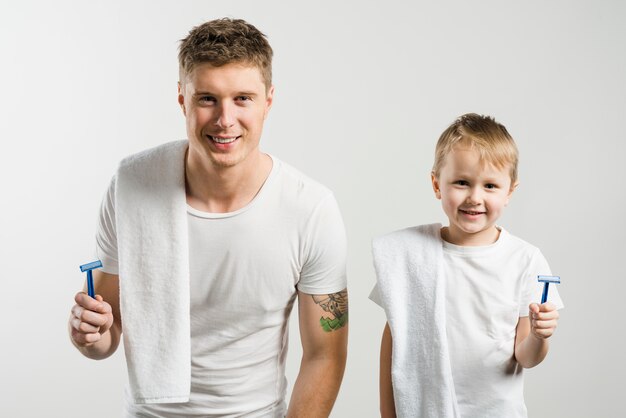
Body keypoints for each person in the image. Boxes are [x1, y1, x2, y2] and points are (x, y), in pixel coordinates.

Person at [68, 18, 348, 417]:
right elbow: (106, 333)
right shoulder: (131, 185)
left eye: (242, 99)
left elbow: (325, 355)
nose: (225, 119)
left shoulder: (311, 209)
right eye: (207, 99)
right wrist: (89, 334)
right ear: (183, 99)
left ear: (268, 101)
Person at [370, 113, 563, 417]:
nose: (475, 197)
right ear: (437, 184)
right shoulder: (411, 256)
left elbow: (525, 357)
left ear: (509, 191)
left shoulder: (525, 260)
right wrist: (388, 412)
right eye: (462, 182)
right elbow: (395, 338)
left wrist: (540, 337)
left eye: (490, 186)